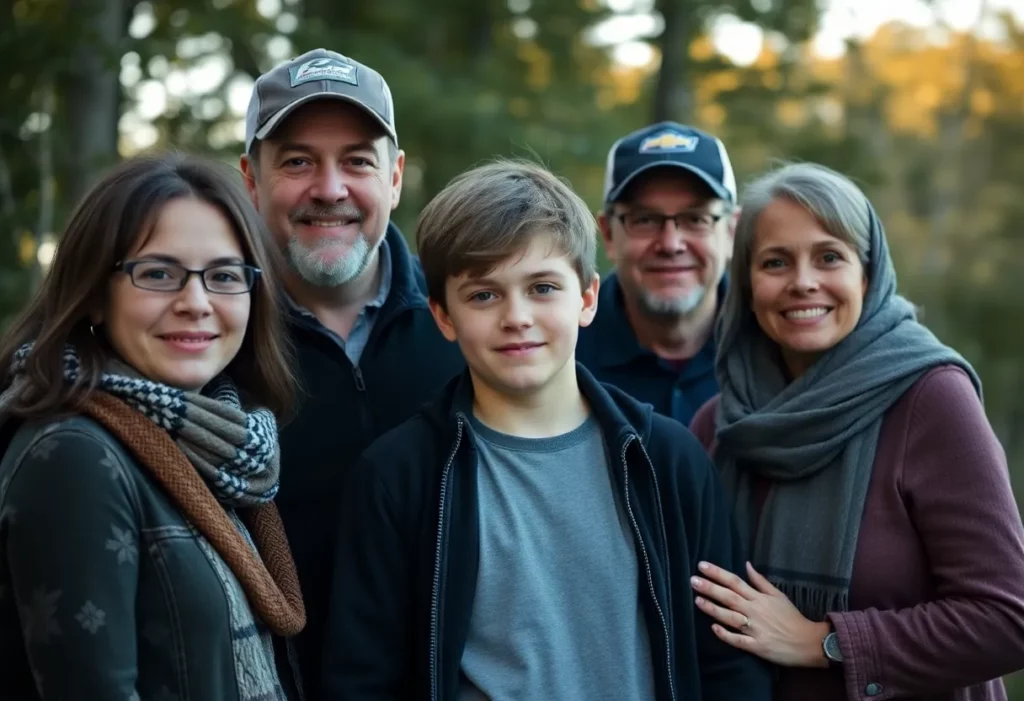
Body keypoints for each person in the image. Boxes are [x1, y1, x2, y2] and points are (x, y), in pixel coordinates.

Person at [320, 159, 773, 700]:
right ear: (443, 316)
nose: (517, 317)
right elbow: (363, 680)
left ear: (586, 298)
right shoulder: (400, 477)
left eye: (541, 288)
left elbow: (728, 663)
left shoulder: (667, 459)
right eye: (484, 295)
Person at [688, 162, 1024, 700]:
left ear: (868, 275)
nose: (803, 281)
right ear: (747, 285)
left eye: (829, 257)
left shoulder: (930, 399)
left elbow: (1008, 618)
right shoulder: (720, 427)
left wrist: (822, 642)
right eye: (775, 262)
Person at [0, 153, 305, 701]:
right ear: (96, 292)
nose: (196, 302)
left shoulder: (218, 444)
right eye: (159, 273)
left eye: (224, 276)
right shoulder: (72, 455)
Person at [239, 48, 464, 695]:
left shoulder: (470, 327)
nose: (330, 189)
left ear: (394, 178)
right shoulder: (208, 343)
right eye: (298, 161)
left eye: (357, 161)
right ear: (251, 182)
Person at [576, 121, 738, 426]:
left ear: (730, 231)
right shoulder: (558, 347)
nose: (670, 244)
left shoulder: (776, 342)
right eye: (645, 219)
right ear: (609, 234)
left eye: (696, 218)